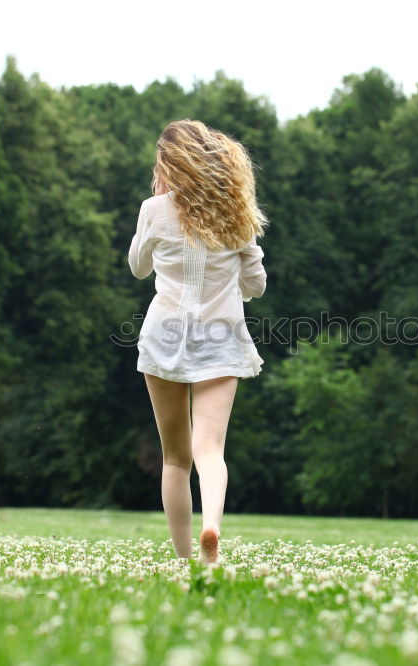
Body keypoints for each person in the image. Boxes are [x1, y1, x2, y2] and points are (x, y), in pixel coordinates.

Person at [128, 119, 268, 565]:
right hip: (220, 339)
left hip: (164, 337)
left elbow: (137, 267)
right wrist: (234, 279)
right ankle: (213, 528)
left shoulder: (154, 209)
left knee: (175, 458)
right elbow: (257, 285)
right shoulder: (235, 214)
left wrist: (155, 206)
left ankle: (185, 556)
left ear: (169, 163)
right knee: (211, 450)